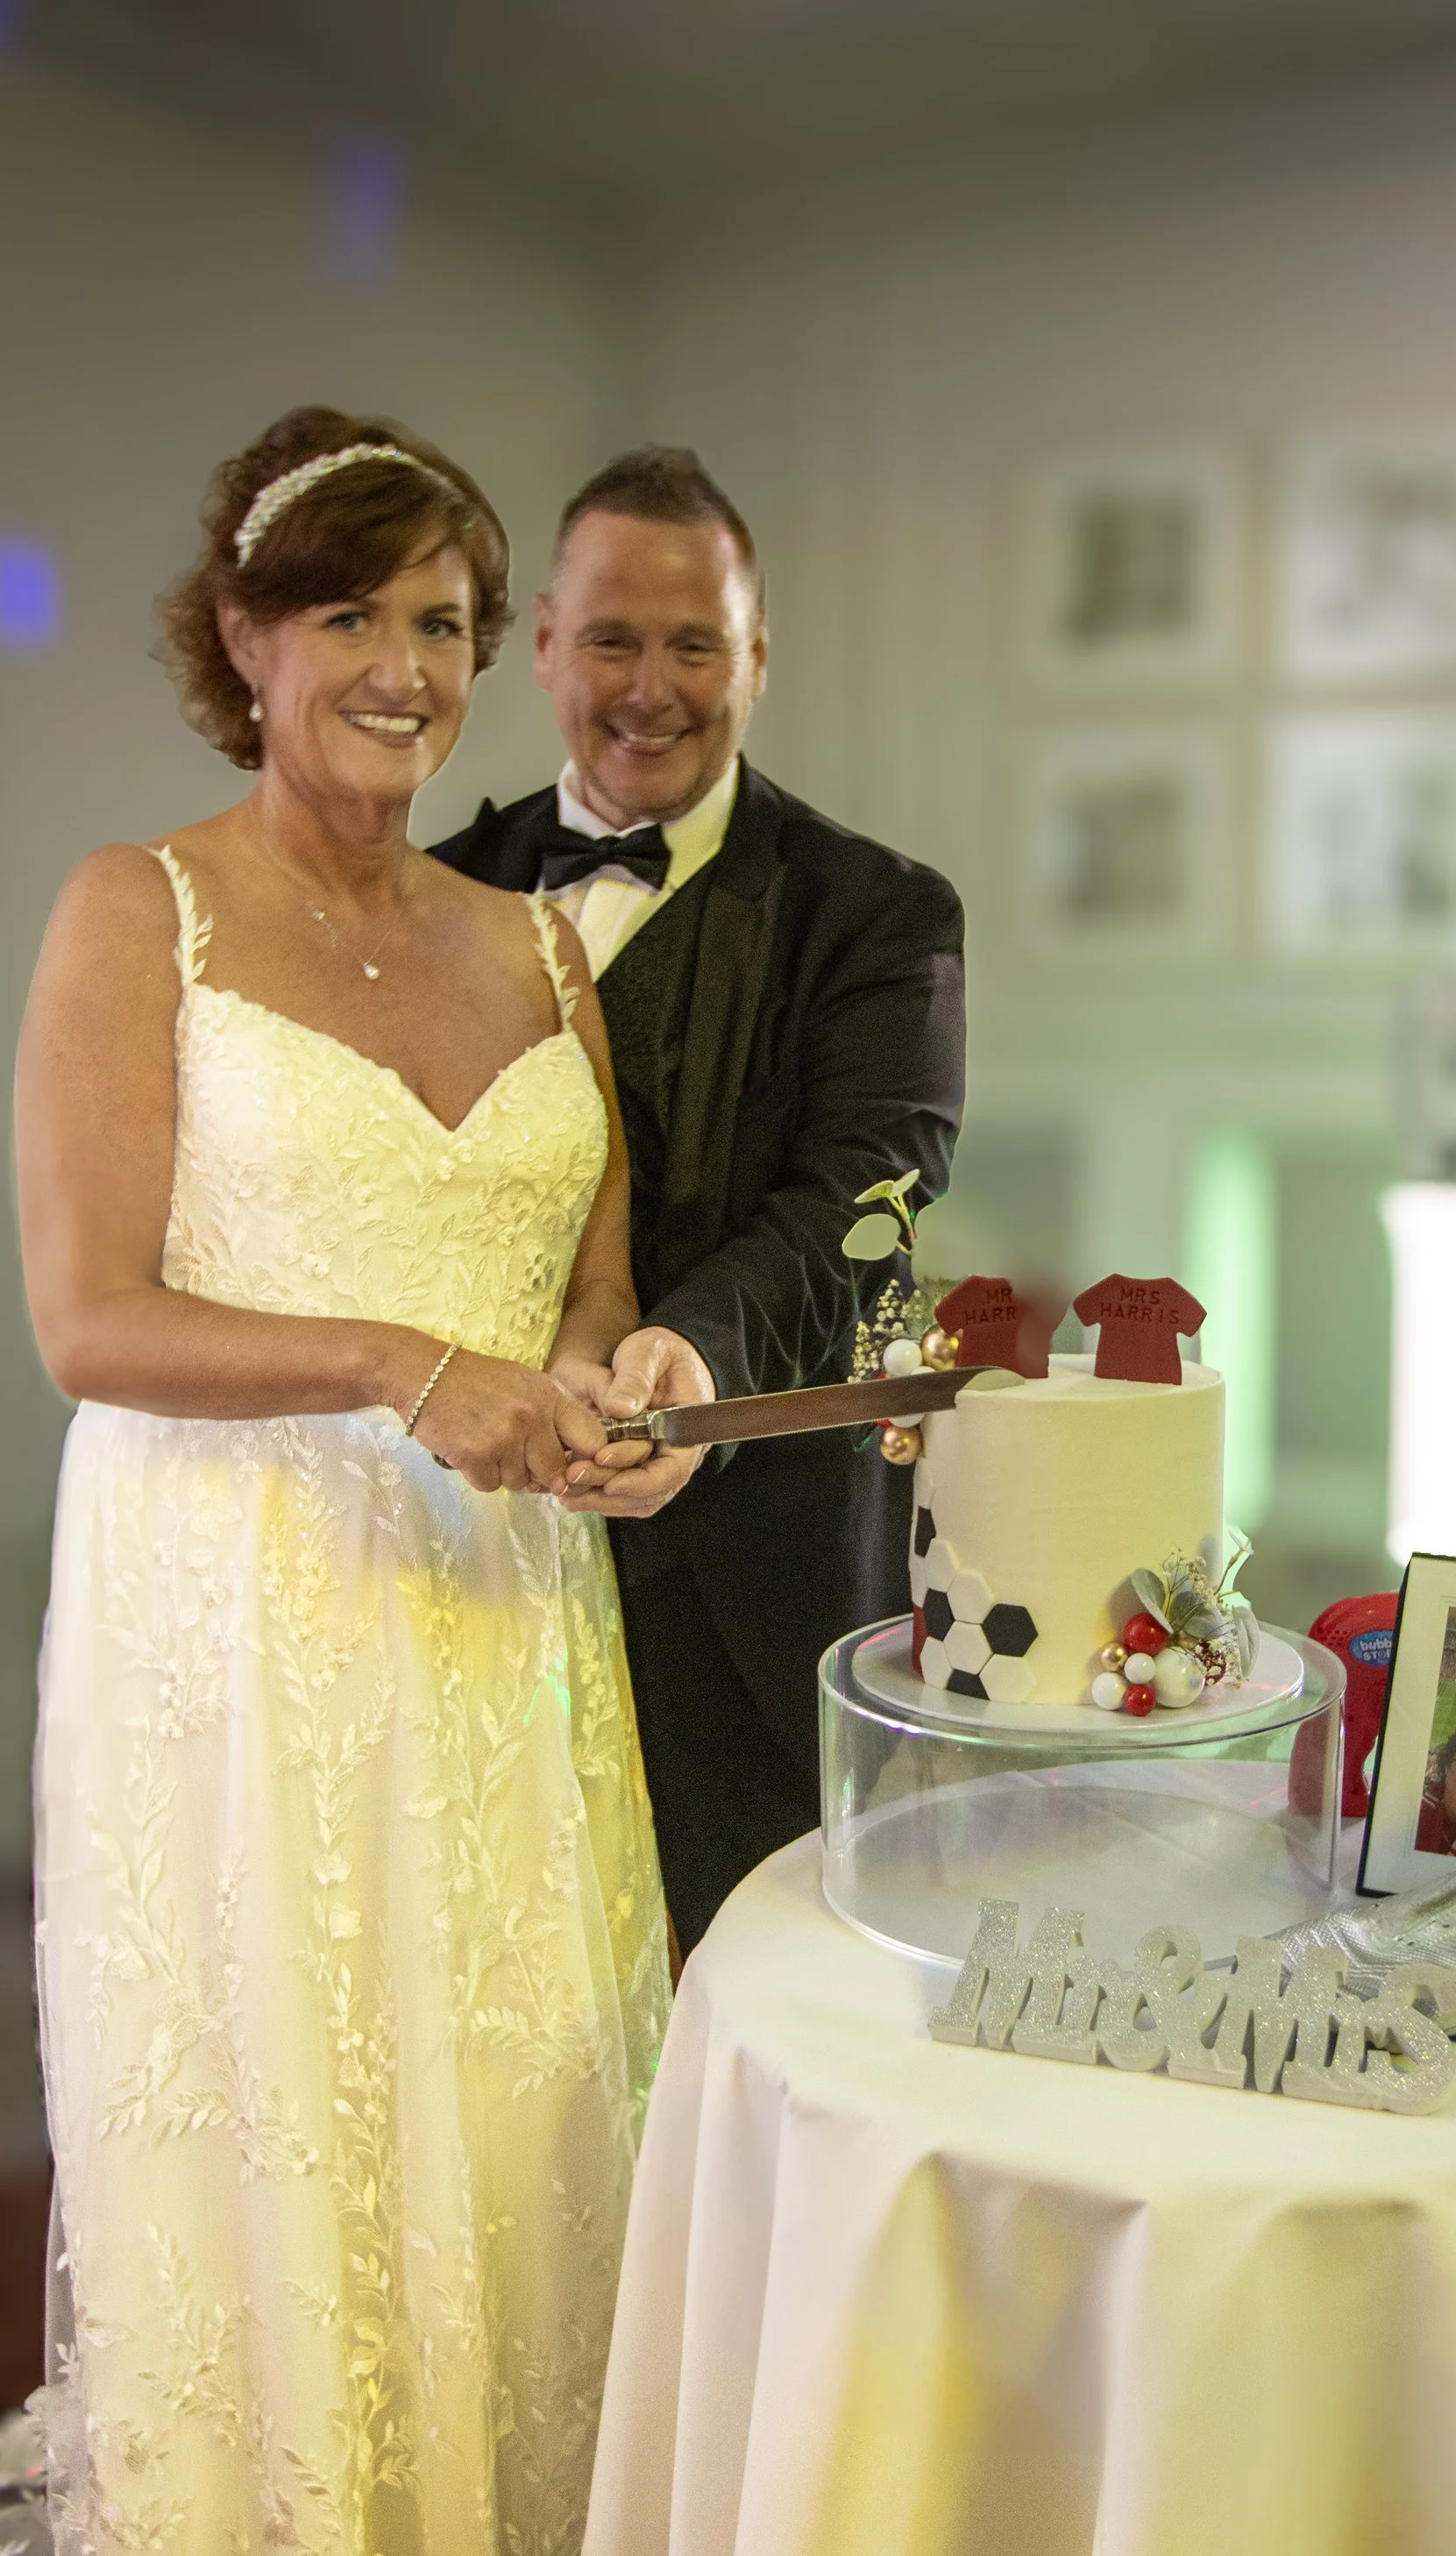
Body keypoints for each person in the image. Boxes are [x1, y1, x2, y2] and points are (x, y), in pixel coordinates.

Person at [0, 408, 672, 2556]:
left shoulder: (540, 941)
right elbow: (90, 1317)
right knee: (295, 2111)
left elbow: (590, 1302)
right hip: (247, 1624)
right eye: (354, 616)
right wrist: (406, 1371)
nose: (405, 666)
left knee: (513, 2101)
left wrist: (621, 1415)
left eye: (444, 619)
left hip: (509, 1626)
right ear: (242, 638)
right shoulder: (141, 912)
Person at [436, 449, 966, 1951]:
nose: (650, 686)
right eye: (612, 639)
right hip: (471, 1554)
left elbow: (872, 1185)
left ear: (758, 657)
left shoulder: (880, 912)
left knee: (733, 1993)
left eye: (695, 644)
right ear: (542, 642)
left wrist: (692, 1361)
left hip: (749, 1570)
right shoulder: (435, 893)